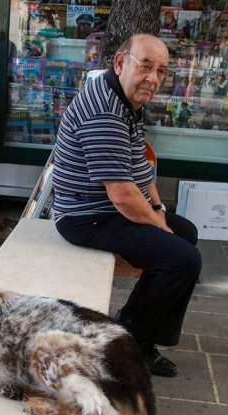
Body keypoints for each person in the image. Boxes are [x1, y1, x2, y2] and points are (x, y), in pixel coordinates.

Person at [51, 34, 201, 377]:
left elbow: (139, 167)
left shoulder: (127, 100)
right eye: (145, 66)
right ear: (120, 63)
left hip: (104, 209)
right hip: (86, 217)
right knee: (183, 259)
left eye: (161, 71)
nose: (153, 78)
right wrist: (158, 225)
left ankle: (132, 324)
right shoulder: (105, 111)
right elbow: (121, 195)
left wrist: (160, 210)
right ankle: (135, 344)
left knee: (185, 234)